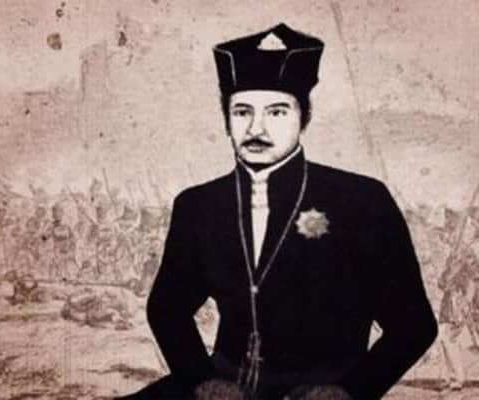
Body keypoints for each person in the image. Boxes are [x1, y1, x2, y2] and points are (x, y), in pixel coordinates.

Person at [115, 23, 437, 400]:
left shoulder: (362, 200)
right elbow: (167, 308)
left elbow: (414, 326)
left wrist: (349, 390)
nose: (257, 128)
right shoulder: (198, 205)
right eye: (242, 112)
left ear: (305, 117)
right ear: (226, 121)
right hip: (223, 389)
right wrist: (202, 380)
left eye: (277, 112)